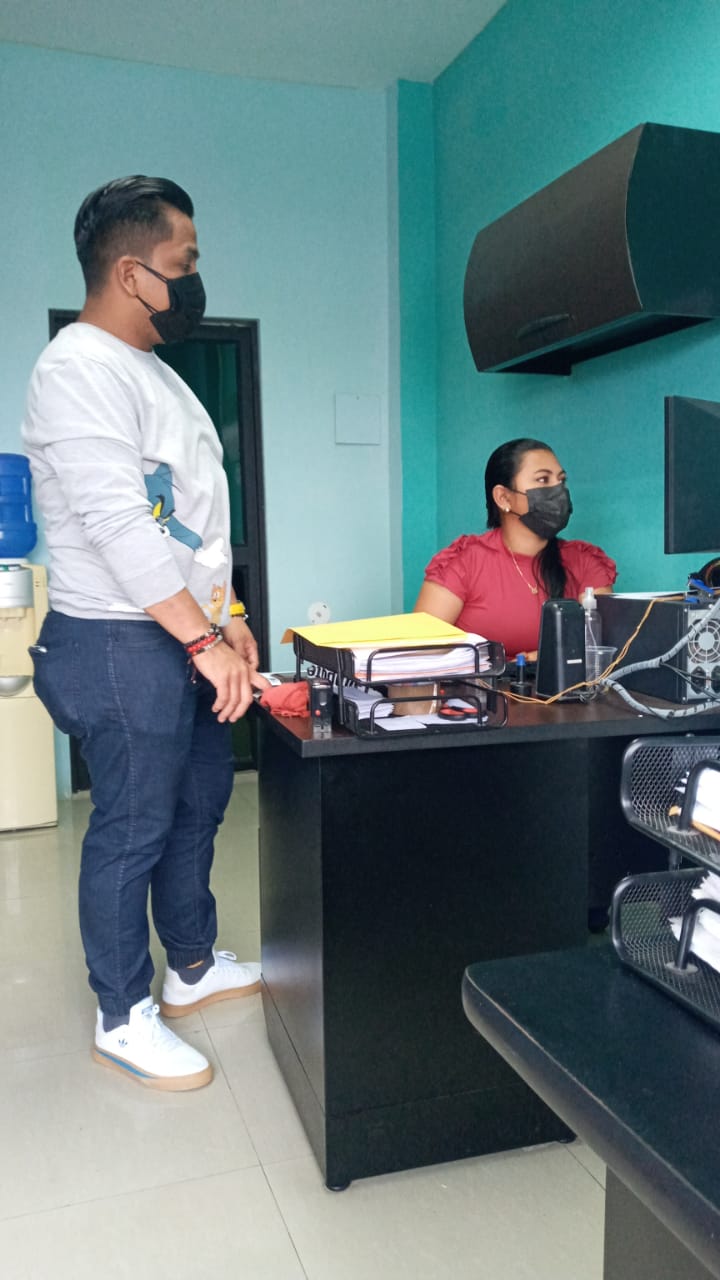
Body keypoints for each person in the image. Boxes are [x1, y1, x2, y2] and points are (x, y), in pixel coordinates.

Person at [22, 175, 267, 1092]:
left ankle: (191, 966)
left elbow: (192, 526)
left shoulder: (155, 373)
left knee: (199, 804)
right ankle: (122, 1015)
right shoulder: (77, 369)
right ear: (131, 272)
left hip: (180, 634)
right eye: (184, 262)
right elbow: (120, 527)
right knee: (132, 827)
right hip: (119, 643)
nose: (194, 280)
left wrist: (229, 618)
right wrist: (201, 641)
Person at [414, 437, 616, 659]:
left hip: (561, 683)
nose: (558, 490)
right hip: (478, 682)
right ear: (503, 498)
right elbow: (420, 653)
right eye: (543, 479)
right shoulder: (463, 561)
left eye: (561, 480)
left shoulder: (585, 561)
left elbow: (599, 647)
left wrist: (541, 659)